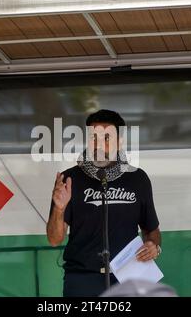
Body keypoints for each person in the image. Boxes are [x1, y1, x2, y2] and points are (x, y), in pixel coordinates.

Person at [46, 109, 161, 297]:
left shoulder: (138, 179)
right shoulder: (69, 178)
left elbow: (152, 231)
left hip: (128, 277)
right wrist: (59, 209)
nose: (99, 144)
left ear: (120, 141)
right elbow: (54, 239)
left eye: (107, 138)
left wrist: (153, 246)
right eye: (94, 137)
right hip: (82, 279)